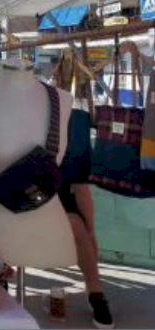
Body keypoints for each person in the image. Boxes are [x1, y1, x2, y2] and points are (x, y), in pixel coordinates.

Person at [60, 109, 114, 329]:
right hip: (23, 194)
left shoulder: (74, 121)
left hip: (47, 196)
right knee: (78, 225)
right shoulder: (74, 121)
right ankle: (95, 292)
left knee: (77, 225)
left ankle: (95, 291)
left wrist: (90, 231)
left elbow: (81, 189)